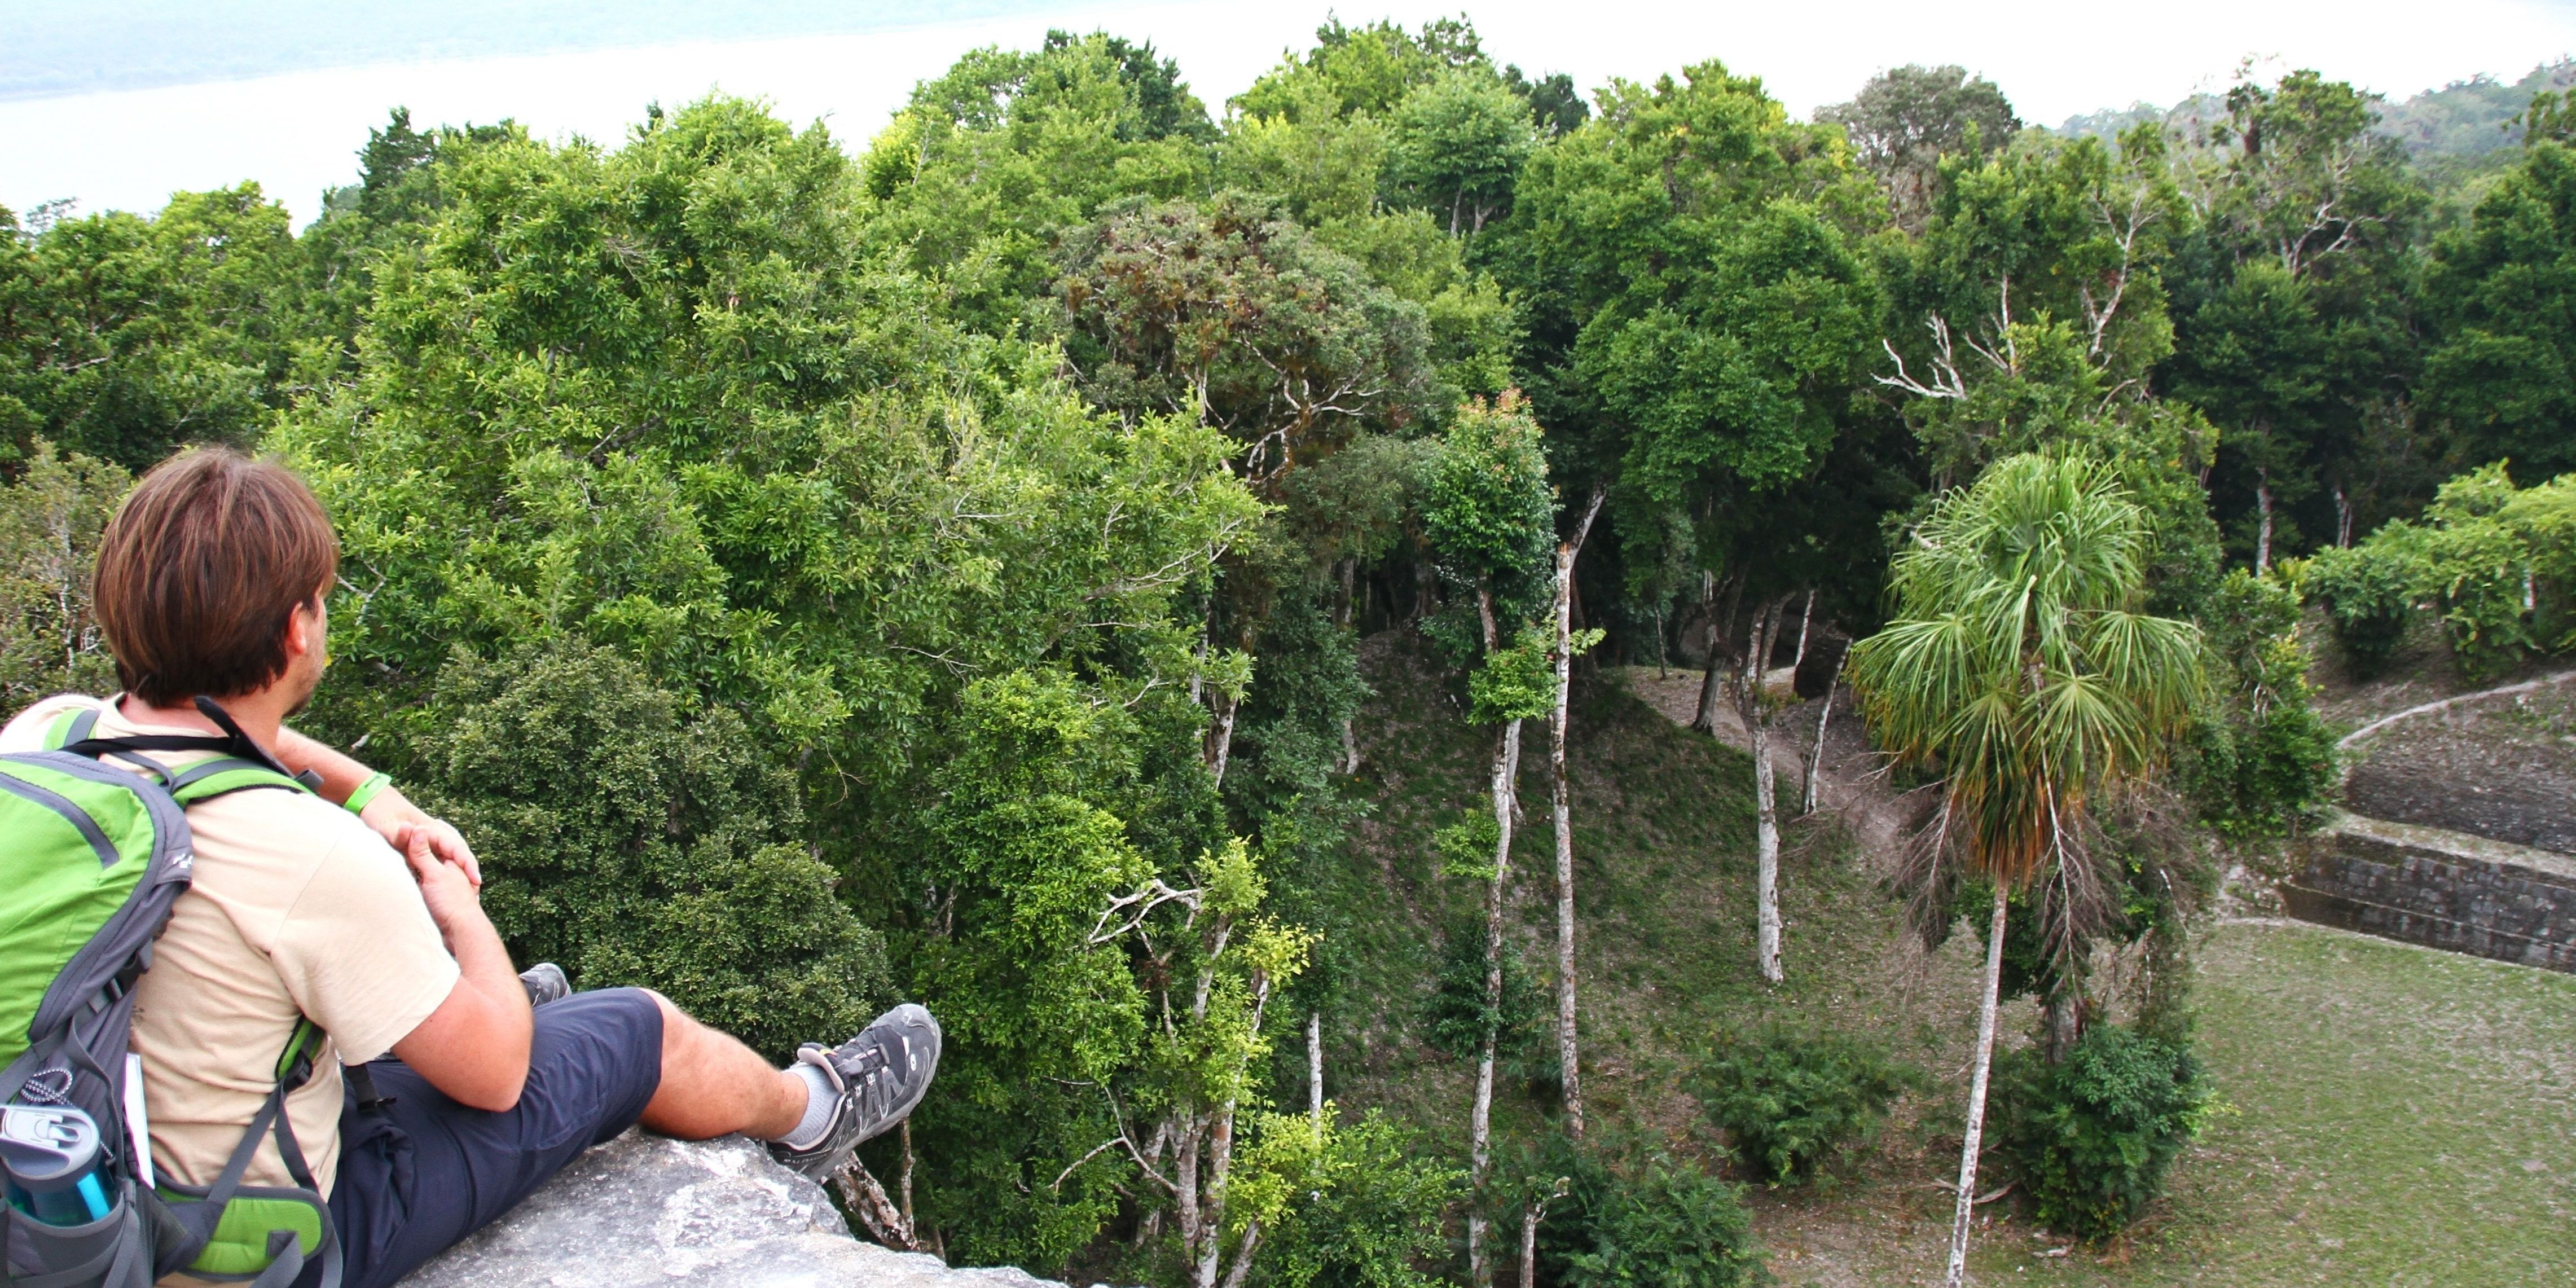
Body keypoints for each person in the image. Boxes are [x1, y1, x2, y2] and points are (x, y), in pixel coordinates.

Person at [0, 447, 939, 1288]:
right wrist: (459, 915)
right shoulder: (304, 852)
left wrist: (374, 795)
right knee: (638, 1029)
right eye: (321, 601)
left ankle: (457, 1008)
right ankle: (811, 1111)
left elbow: (216, 736)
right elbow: (495, 1080)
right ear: (296, 630)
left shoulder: (50, 740)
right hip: (251, 1249)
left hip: (76, 1182)